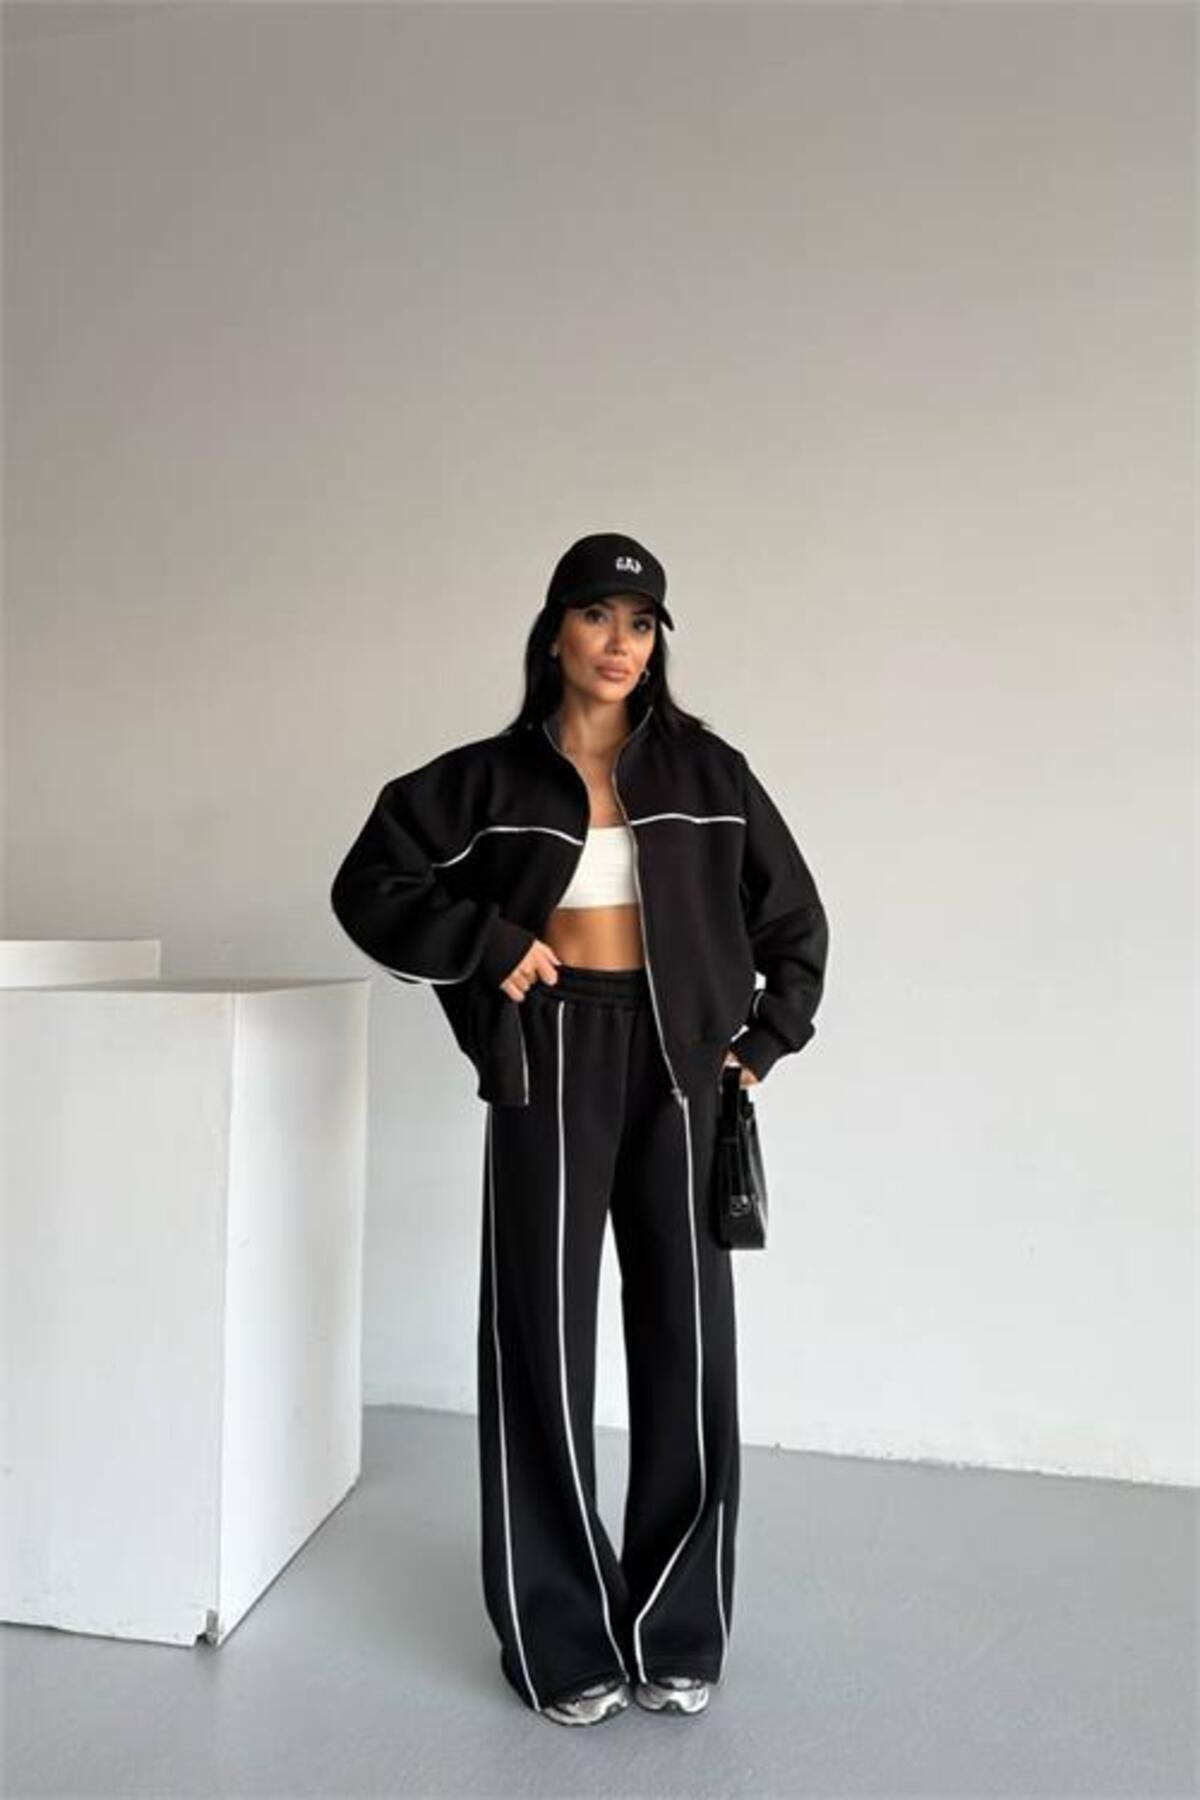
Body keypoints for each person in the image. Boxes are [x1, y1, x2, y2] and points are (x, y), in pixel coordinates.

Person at [330, 531, 829, 1726]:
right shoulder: (488, 781)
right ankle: (561, 1636)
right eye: (599, 616)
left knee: (687, 1341)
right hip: (552, 1050)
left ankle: (677, 1626)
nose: (620, 642)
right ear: (555, 629)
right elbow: (371, 885)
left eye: (642, 623)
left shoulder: (710, 772)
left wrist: (758, 1045)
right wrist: (489, 945)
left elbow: (796, 922)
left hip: (680, 1067)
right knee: (539, 1340)